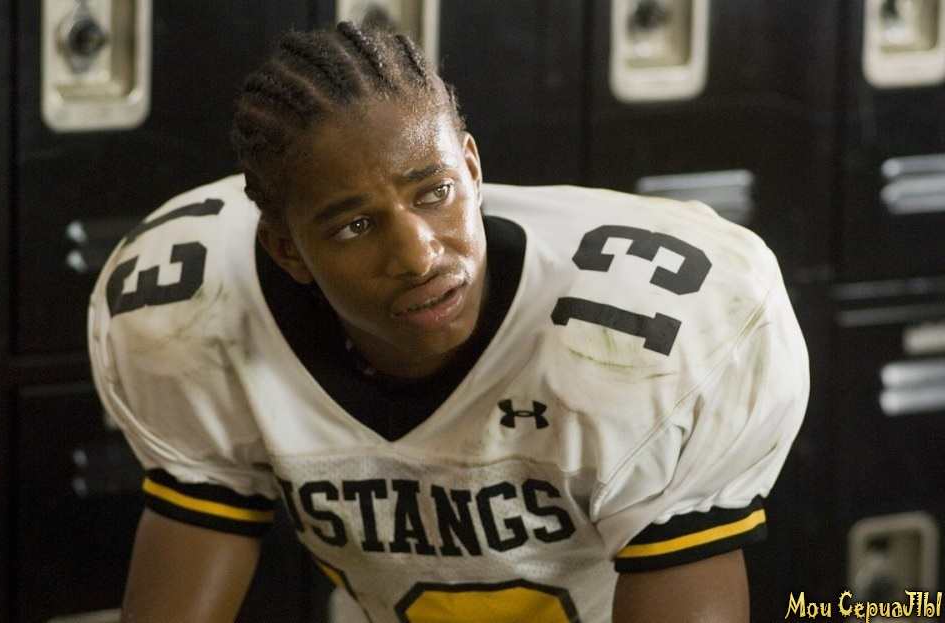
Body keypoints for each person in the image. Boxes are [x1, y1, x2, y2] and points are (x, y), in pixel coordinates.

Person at [88, 20, 809, 623]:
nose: (418, 255)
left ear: (472, 167)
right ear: (287, 251)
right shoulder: (194, 312)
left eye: (434, 192)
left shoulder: (652, 335)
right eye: (355, 225)